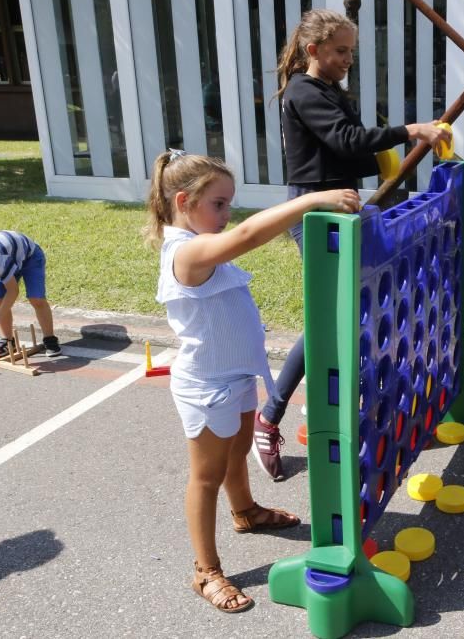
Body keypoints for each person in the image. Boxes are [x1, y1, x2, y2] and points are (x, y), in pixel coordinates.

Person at [144, 149, 360, 612]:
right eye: (218, 204)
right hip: (206, 386)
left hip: (236, 374)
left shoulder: (200, 239)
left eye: (228, 204)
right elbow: (247, 234)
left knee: (239, 450)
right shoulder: (187, 251)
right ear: (184, 200)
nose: (227, 214)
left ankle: (245, 511)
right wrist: (310, 201)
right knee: (206, 476)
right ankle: (206, 571)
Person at [251, 8, 451, 481]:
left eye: (351, 52)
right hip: (315, 214)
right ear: (313, 49)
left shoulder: (330, 91)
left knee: (365, 307)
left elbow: (354, 151)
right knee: (330, 320)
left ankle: (362, 399)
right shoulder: (303, 90)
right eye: (340, 51)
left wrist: (391, 166)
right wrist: (410, 131)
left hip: (343, 208)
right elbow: (345, 141)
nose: (347, 60)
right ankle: (269, 416)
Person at [0, 231, 62, 358]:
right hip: (7, 261)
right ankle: (8, 341)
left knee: (36, 298)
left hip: (30, 258)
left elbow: (13, 291)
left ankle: (50, 338)